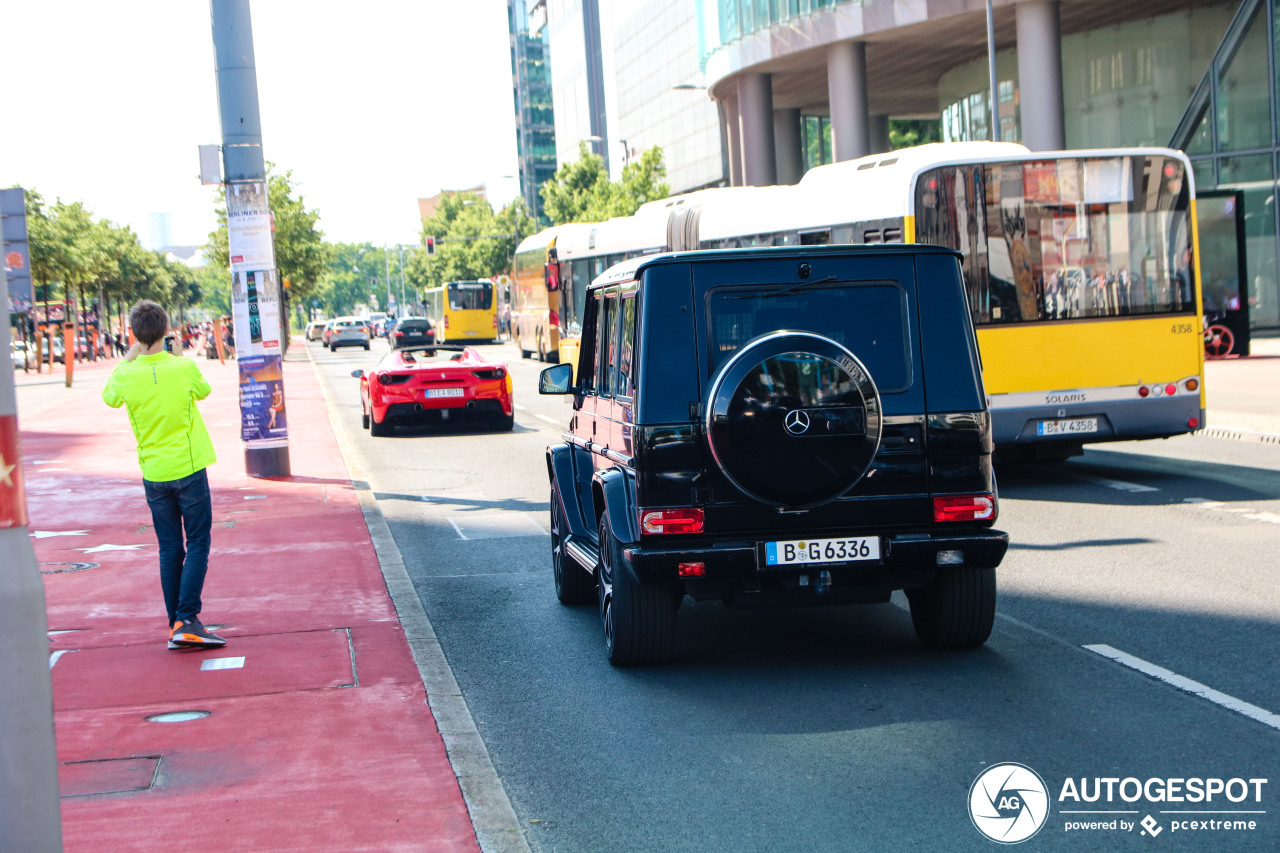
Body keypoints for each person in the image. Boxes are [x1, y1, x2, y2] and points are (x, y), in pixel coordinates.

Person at [102, 300, 226, 650]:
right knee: (198, 541)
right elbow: (204, 390)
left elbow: (109, 397)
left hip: (154, 471)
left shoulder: (126, 375)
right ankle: (187, 618)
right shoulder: (182, 367)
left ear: (134, 334)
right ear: (167, 330)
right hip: (188, 465)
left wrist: (128, 359)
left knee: (169, 547)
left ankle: (177, 623)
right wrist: (179, 354)